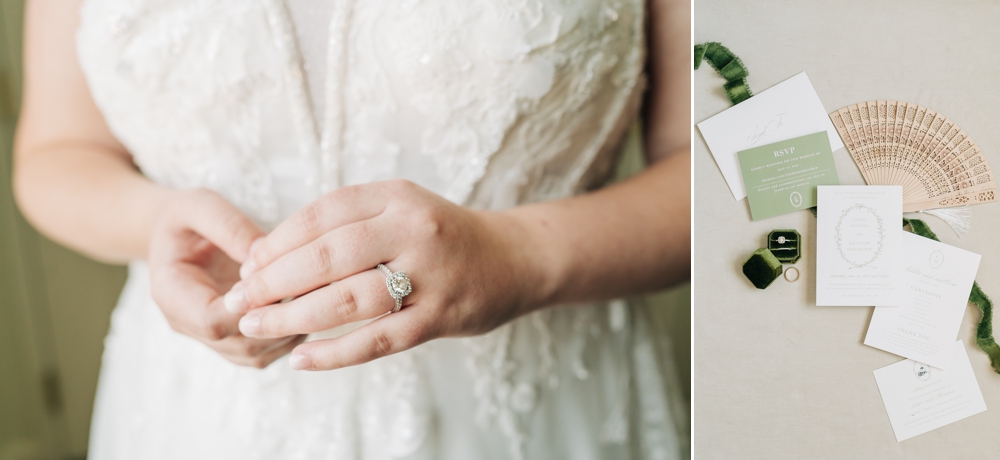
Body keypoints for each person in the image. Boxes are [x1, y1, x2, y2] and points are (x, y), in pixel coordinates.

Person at [13, 0, 691, 458]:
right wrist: (156, 223)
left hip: (534, 413)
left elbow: (752, 172)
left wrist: (522, 255)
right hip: (196, 417)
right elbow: (56, 150)